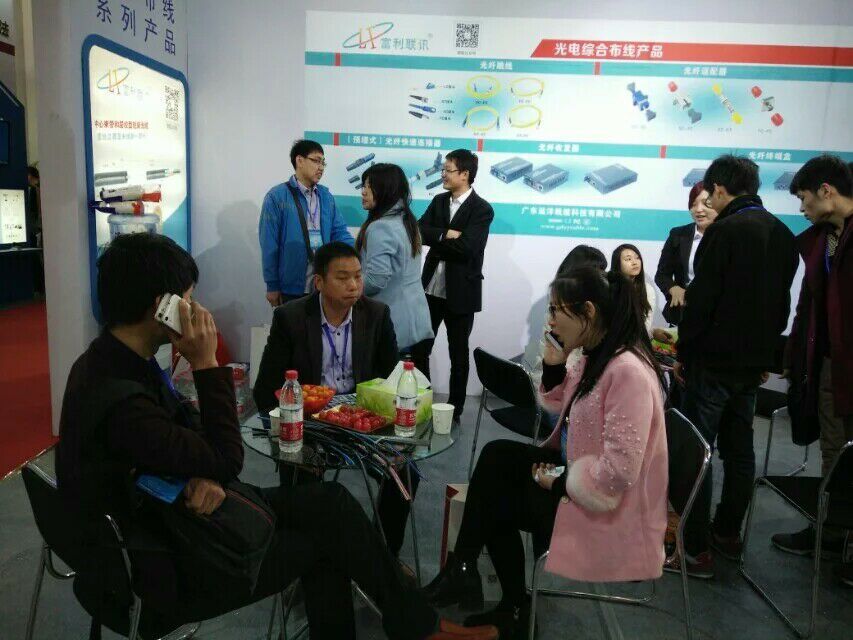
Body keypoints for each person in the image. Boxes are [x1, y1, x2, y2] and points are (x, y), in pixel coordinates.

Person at [56, 233, 496, 640]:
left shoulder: (109, 362)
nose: (196, 309)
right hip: (163, 564)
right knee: (328, 541)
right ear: (162, 307)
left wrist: (193, 473)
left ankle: (417, 625)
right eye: (188, 298)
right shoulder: (122, 396)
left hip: (165, 515)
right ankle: (419, 627)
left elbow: (180, 438)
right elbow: (228, 459)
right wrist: (206, 365)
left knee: (331, 503)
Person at [424, 267, 668, 639]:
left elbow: (620, 470)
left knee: (496, 501)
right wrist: (554, 365)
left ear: (588, 312)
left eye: (556, 310)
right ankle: (466, 570)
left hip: (610, 505)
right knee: (497, 456)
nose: (550, 320)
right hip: (579, 474)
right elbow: (561, 409)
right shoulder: (597, 355)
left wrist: (561, 481)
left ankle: (506, 600)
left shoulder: (627, 371)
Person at [669, 154, 798, 579]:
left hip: (712, 363)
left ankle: (694, 548)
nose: (708, 201)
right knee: (740, 452)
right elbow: (781, 307)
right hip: (751, 366)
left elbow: (701, 304)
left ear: (721, 190)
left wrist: (684, 352)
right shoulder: (783, 234)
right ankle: (727, 532)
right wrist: (765, 357)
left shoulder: (724, 231)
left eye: (710, 193)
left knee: (697, 451)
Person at [253, 242, 413, 559]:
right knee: (300, 479)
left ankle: (382, 555)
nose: (353, 285)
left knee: (405, 473)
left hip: (360, 420)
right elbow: (266, 388)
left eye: (358, 276)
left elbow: (392, 381)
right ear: (319, 282)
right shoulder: (291, 318)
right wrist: (286, 434)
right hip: (310, 423)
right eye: (342, 277)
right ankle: (306, 561)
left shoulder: (377, 315)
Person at [770, 155, 853, 588]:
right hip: (828, 364)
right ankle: (832, 530)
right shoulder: (822, 241)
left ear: (826, 191)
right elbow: (808, 303)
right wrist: (794, 355)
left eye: (804, 198)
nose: (801, 208)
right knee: (834, 449)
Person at [419, 150, 494, 424]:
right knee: (420, 349)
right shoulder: (439, 201)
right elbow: (419, 230)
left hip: (461, 293)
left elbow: (467, 248)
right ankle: (422, 401)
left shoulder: (482, 209)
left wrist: (438, 240)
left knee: (458, 354)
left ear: (464, 174)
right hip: (430, 289)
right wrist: (446, 234)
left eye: (448, 170)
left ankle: (455, 409)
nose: (443, 175)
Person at [357, 163, 434, 374]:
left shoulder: (380, 227)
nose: (363, 192)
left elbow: (375, 280)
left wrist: (345, 289)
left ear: (384, 189)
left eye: (368, 186)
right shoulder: (406, 220)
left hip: (394, 325)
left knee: (390, 391)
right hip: (416, 321)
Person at [259, 139, 354, 307]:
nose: (321, 167)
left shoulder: (326, 197)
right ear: (300, 161)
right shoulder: (277, 197)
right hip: (290, 286)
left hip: (322, 284)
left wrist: (355, 253)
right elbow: (269, 244)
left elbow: (339, 232)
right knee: (292, 324)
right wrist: (272, 284)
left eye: (323, 163)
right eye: (316, 160)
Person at [526, 245, 608, 390]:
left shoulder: (601, 309)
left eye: (603, 271)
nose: (602, 278)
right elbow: (553, 367)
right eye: (597, 271)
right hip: (558, 386)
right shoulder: (561, 313)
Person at [654, 181, 718, 326]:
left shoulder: (729, 236)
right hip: (682, 315)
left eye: (706, 204)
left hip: (717, 319)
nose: (698, 210)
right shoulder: (678, 235)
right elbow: (662, 274)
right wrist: (673, 288)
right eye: (693, 204)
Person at [610, 244, 657, 334]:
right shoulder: (609, 286)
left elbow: (646, 325)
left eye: (637, 258)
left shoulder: (647, 289)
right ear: (617, 264)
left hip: (638, 339)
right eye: (628, 259)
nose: (635, 262)